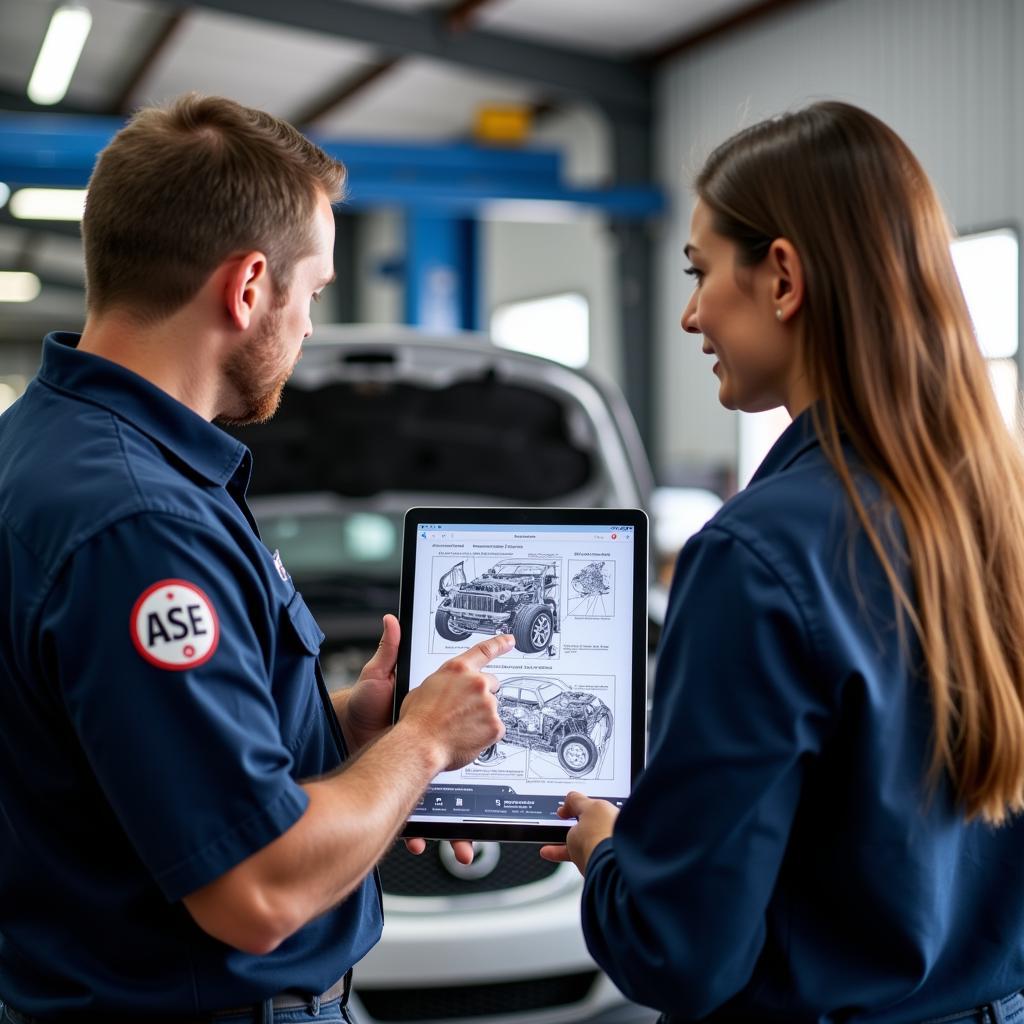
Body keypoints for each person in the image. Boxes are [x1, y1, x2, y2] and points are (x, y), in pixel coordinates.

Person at [0, 94, 507, 1023]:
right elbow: (258, 892)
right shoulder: (139, 523)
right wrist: (424, 741)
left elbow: (139, 754)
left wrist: (348, 735)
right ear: (247, 288)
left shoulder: (50, 449)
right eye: (310, 292)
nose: (309, 327)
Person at [541, 100, 1024, 1022]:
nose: (689, 315)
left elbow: (683, 953)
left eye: (701, 271)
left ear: (784, 277)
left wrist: (608, 854)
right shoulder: (999, 512)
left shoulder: (755, 558)